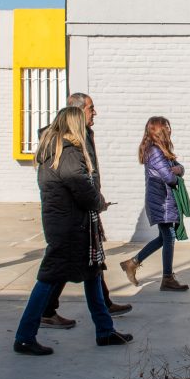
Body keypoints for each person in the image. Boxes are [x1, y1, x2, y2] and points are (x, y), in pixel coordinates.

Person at [13, 107, 132, 355]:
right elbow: (81, 188)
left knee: (93, 275)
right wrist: (99, 202)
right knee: (48, 280)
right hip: (70, 228)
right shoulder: (67, 152)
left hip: (67, 225)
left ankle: (105, 330)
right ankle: (24, 336)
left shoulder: (54, 150)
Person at [41, 92, 132, 329]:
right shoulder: (66, 146)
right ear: (78, 111)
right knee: (62, 267)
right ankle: (43, 313)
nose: (95, 112)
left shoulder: (83, 136)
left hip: (82, 211)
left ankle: (104, 313)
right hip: (73, 215)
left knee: (93, 261)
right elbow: (78, 181)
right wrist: (95, 200)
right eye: (91, 108)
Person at [119, 117, 189, 291]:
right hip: (162, 202)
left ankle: (133, 263)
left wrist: (177, 169)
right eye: (167, 127)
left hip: (163, 200)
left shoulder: (159, 150)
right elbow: (170, 178)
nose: (170, 130)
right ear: (159, 131)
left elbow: (178, 167)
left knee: (163, 237)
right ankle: (167, 279)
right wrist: (176, 171)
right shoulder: (156, 151)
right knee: (169, 236)